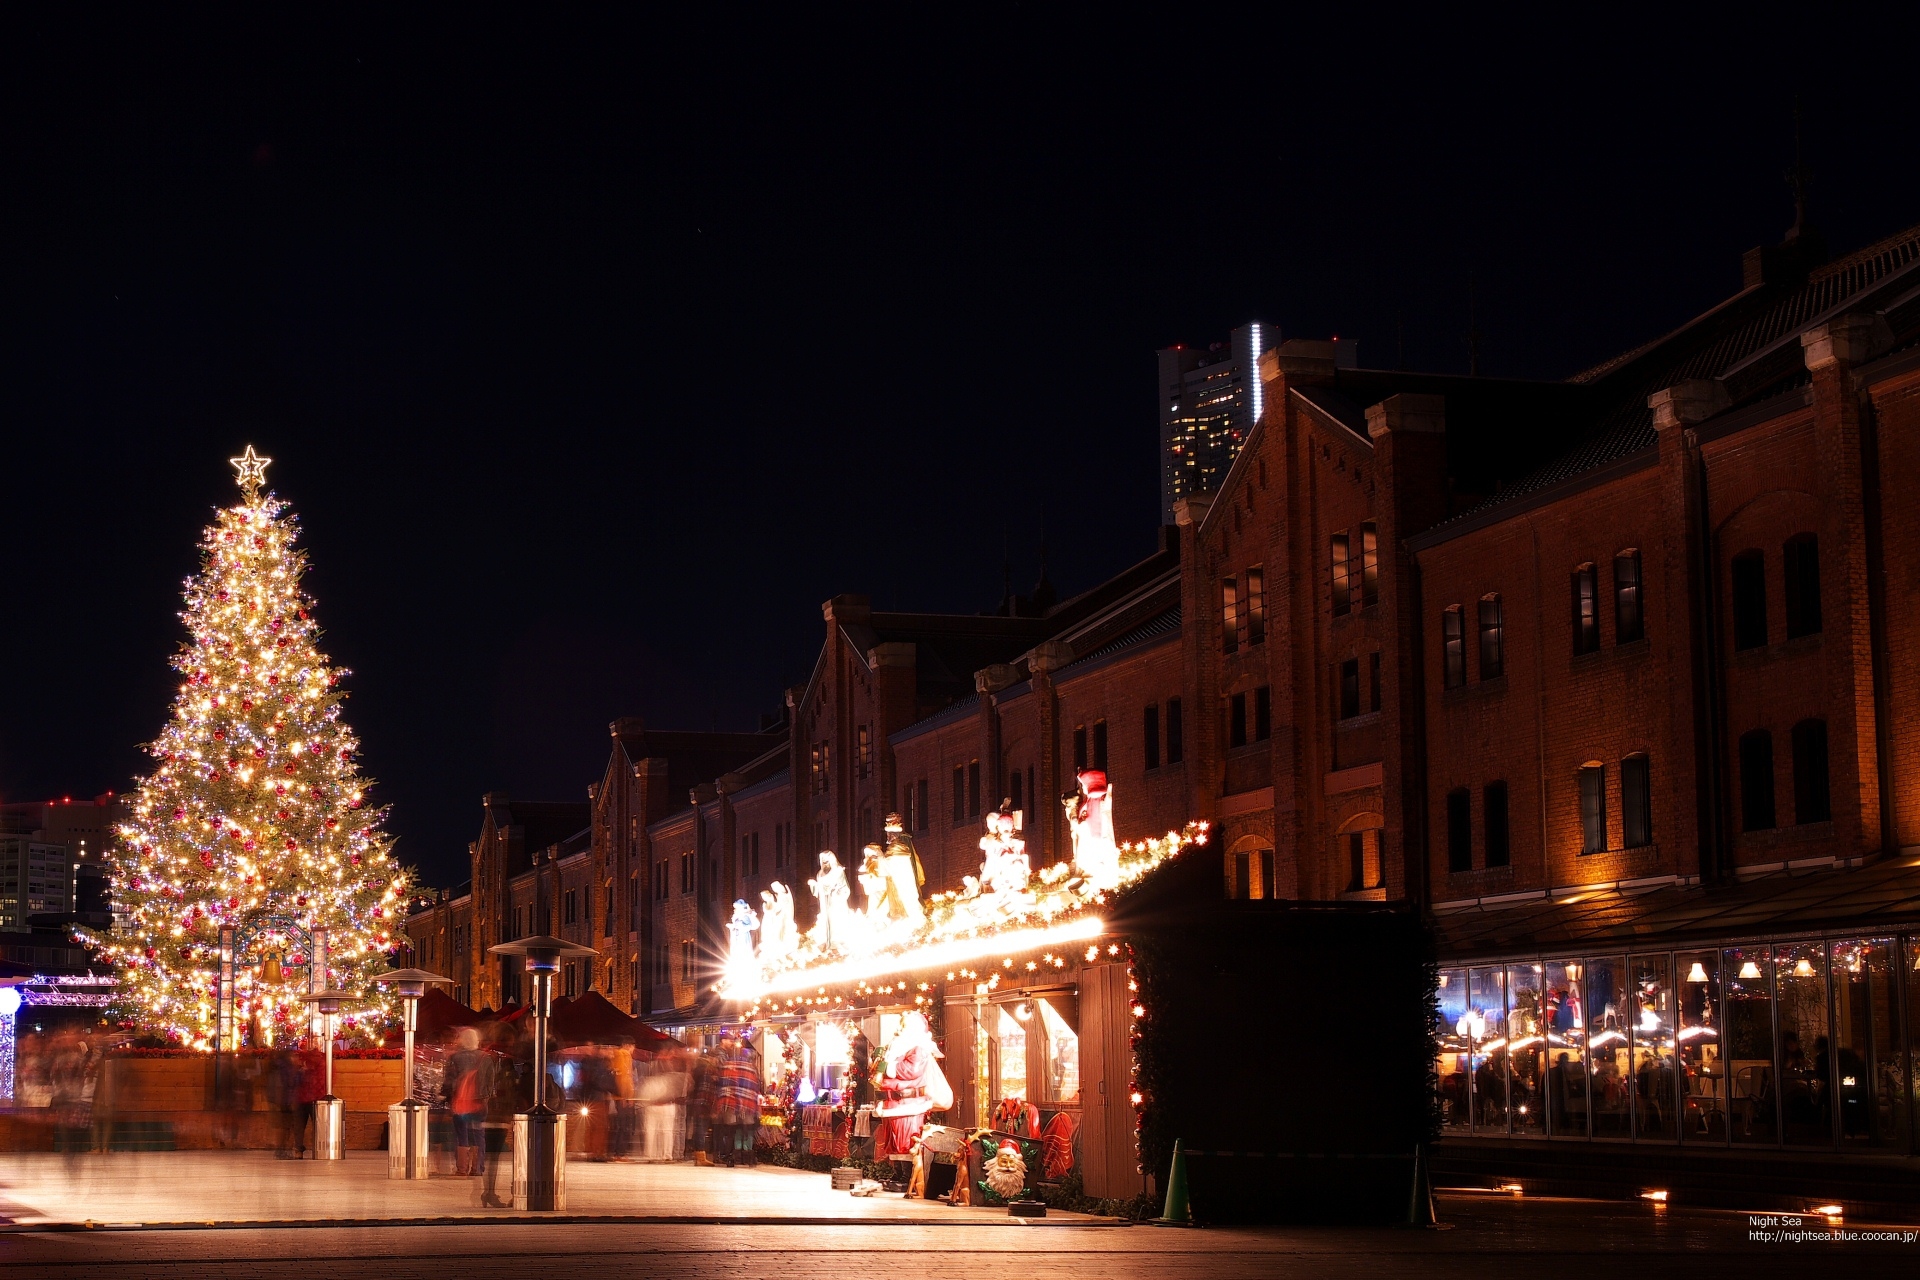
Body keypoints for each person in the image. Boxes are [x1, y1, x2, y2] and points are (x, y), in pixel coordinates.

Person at [444, 1027, 494, 1177]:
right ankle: (477, 1168)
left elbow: (449, 1080)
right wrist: (485, 1097)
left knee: (461, 1134)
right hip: (480, 1102)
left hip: (461, 1103)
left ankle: (462, 1168)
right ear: (476, 1041)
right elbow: (490, 1082)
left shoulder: (455, 1058)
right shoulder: (486, 1058)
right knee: (478, 1134)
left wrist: (447, 1097)